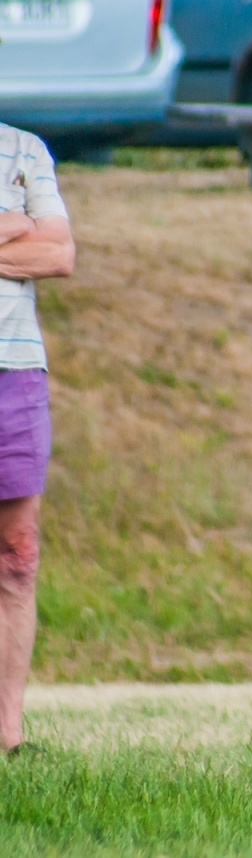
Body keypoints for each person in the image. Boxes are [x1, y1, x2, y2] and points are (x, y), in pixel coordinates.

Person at [0, 124, 76, 755]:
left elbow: (59, 255)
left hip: (15, 372)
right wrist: (15, 226)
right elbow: (35, 240)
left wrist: (35, 237)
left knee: (18, 557)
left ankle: (8, 739)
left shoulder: (26, 151)